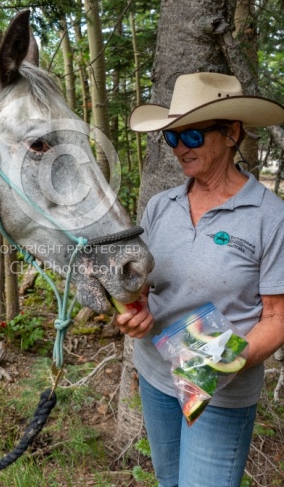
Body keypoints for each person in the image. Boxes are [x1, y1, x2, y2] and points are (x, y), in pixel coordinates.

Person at [116, 72, 284, 487]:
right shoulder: (160, 206)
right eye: (172, 138)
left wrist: (224, 364)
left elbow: (278, 316)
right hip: (156, 375)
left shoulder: (269, 216)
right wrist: (136, 311)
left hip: (223, 391)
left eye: (192, 137)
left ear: (231, 133)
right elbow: (145, 289)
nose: (179, 149)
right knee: (169, 481)